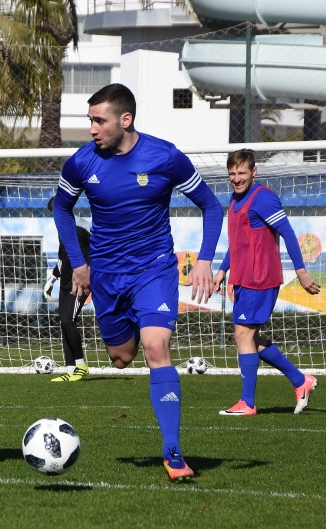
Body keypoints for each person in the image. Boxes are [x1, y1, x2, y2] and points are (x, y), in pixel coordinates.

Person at [52, 84, 223, 482]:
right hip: (107, 277)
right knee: (121, 357)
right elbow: (61, 208)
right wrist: (80, 264)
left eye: (99, 121)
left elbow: (211, 205)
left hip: (154, 270)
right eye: (90, 120)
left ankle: (173, 453)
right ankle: (130, 329)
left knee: (156, 347)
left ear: (125, 119)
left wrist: (204, 260)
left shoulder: (165, 156)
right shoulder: (81, 162)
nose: (92, 129)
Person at [214, 148, 320, 416]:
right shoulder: (235, 200)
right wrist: (222, 270)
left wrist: (301, 271)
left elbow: (287, 233)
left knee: (242, 335)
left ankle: (247, 403)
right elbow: (237, 243)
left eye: (242, 172)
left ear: (254, 172)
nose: (236, 178)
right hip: (243, 279)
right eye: (232, 174)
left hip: (260, 278)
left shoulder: (263, 198)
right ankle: (301, 380)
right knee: (249, 338)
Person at [44, 197, 91, 383]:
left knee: (68, 320)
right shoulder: (62, 230)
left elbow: (98, 254)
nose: (55, 216)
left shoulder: (82, 228)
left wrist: (92, 280)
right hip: (64, 284)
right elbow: (62, 258)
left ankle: (81, 366)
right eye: (53, 213)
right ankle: (70, 369)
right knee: (64, 324)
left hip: (78, 285)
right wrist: (52, 279)